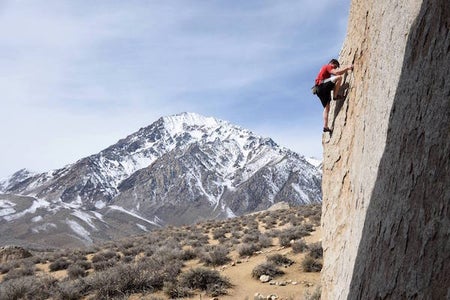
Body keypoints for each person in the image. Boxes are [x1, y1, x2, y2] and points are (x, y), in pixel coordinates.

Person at [314, 59, 353, 133]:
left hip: (319, 90)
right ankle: (335, 96)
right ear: (332, 63)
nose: (334, 68)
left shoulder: (324, 71)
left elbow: (332, 83)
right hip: (322, 85)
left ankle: (325, 126)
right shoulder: (328, 66)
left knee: (327, 108)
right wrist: (347, 68)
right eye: (335, 66)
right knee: (339, 77)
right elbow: (337, 73)